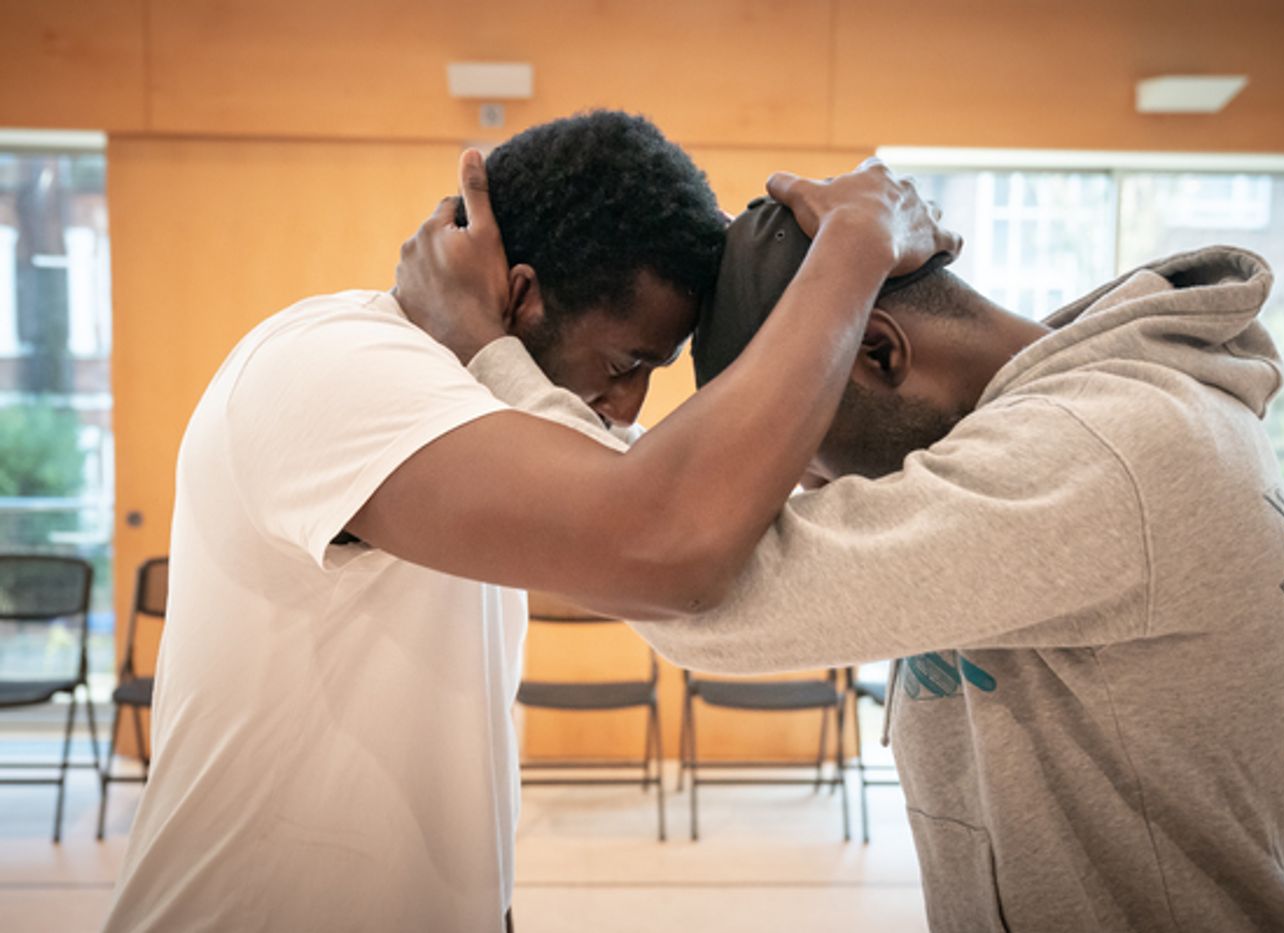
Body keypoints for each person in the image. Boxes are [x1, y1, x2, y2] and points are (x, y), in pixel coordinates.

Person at [102, 111, 958, 933]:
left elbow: (689, 505)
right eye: (626, 364)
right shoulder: (334, 367)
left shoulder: (494, 408)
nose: (626, 406)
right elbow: (666, 544)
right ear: (519, 297)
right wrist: (856, 243)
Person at [415, 197, 1284, 932]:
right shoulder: (1059, 431)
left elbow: (687, 585)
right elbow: (671, 519)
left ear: (881, 349)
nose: (799, 493)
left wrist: (493, 358)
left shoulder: (1100, 448)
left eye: (803, 459)